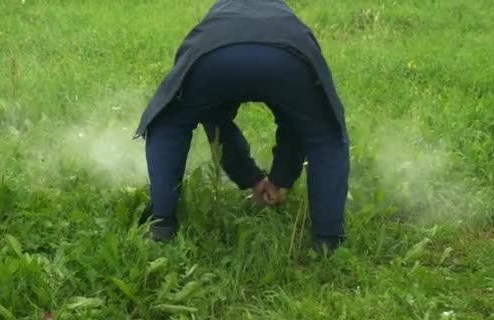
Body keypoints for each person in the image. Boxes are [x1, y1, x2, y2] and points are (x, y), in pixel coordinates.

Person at [136, 0, 350, 254]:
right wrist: (279, 178)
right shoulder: (283, 12)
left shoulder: (218, 12)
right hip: (289, 58)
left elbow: (216, 122)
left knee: (169, 123)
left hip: (213, 56)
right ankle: (328, 241)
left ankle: (161, 225)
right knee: (324, 135)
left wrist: (251, 178)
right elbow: (296, 126)